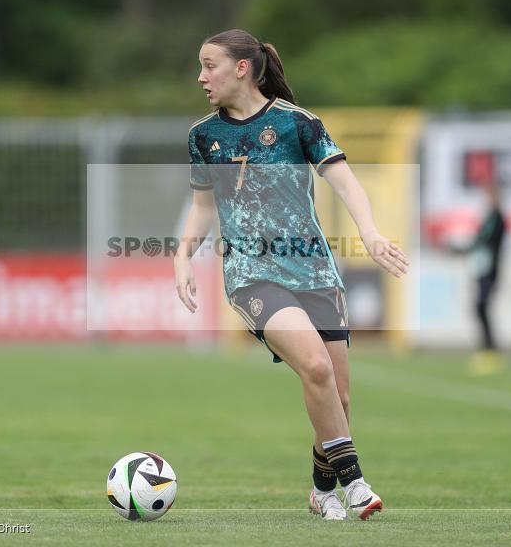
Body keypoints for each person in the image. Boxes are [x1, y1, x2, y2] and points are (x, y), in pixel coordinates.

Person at [173, 29, 408, 520]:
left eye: (209, 65)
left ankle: (322, 491)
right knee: (315, 367)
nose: (201, 76)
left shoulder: (297, 124)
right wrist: (182, 258)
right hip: (252, 274)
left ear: (242, 67)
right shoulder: (203, 136)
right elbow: (201, 208)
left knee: (339, 396)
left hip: (316, 270)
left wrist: (369, 232)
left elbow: (345, 181)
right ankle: (355, 482)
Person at [453, 181, 506, 375]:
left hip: (490, 271)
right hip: (482, 270)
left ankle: (490, 351)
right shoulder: (490, 218)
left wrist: (466, 248)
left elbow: (484, 241)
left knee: (481, 307)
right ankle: (487, 350)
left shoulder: (498, 218)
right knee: (480, 308)